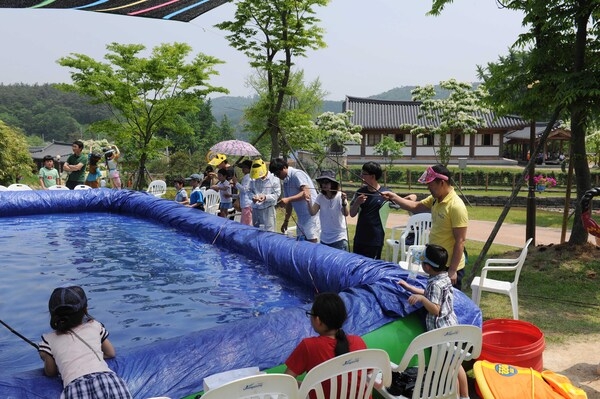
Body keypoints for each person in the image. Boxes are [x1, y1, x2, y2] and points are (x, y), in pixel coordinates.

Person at [397, 244, 469, 399]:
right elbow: (431, 294)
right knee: (456, 365)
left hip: (442, 334)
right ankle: (465, 396)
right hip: (452, 328)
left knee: (448, 369)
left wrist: (422, 299)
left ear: (427, 267)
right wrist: (410, 287)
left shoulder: (435, 284)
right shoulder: (443, 278)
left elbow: (435, 308)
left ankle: (454, 396)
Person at [382, 164, 468, 290]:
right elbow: (415, 207)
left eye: (430, 184)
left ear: (442, 183)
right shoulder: (435, 199)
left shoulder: (456, 206)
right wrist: (394, 197)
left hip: (449, 265)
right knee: (433, 299)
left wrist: (453, 270)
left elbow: (460, 241)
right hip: (436, 262)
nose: (428, 188)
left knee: (448, 304)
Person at [38, 286, 132, 399]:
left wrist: (45, 355)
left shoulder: (49, 339)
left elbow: (51, 372)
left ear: (53, 315)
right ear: (85, 310)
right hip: (108, 380)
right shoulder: (95, 326)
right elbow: (111, 353)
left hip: (76, 387)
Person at [284, 292, 367, 394]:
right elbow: (368, 374)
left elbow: (286, 381)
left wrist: (307, 386)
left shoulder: (309, 346)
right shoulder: (358, 342)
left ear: (318, 320)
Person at [269, 158, 320, 242]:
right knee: (300, 242)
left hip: (311, 216)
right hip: (301, 218)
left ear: (284, 167)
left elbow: (306, 193)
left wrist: (288, 199)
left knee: (312, 242)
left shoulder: (297, 174)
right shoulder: (285, 181)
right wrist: (286, 221)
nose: (277, 176)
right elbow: (289, 204)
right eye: (275, 174)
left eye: (278, 173)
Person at [348, 161, 391, 259]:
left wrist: (411, 197)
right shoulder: (360, 192)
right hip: (360, 238)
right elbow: (352, 213)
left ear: (372, 176)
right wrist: (357, 203)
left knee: (372, 268)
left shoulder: (386, 193)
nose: (361, 176)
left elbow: (400, 203)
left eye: (364, 174)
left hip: (375, 240)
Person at [306, 170, 349, 251]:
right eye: (322, 182)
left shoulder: (340, 196)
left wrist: (343, 201)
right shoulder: (320, 197)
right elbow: (312, 212)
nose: (324, 184)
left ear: (332, 183)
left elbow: (346, 213)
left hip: (339, 239)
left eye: (326, 182)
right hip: (324, 239)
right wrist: (308, 202)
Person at [249, 159, 281, 232]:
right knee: (256, 230)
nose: (258, 178)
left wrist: (266, 197)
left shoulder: (274, 179)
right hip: (256, 209)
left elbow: (277, 194)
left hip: (268, 210)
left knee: (269, 232)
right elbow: (249, 191)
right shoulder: (253, 179)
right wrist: (252, 197)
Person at [232, 160, 253, 225]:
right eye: (242, 167)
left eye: (245, 167)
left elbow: (244, 189)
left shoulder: (248, 177)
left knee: (245, 224)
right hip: (245, 204)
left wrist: (236, 182)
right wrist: (232, 195)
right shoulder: (246, 177)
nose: (243, 169)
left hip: (247, 204)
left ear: (249, 169)